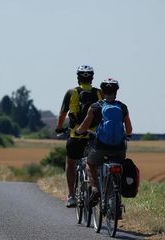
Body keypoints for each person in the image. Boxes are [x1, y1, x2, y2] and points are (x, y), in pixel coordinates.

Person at [75, 78, 133, 207]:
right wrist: (127, 135)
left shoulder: (96, 106)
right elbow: (129, 130)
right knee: (120, 166)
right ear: (116, 91)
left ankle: (95, 189)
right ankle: (116, 193)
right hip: (119, 148)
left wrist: (78, 132)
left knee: (90, 163)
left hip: (101, 146)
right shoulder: (122, 107)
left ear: (102, 91)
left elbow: (84, 126)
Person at [55, 65, 102, 208]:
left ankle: (71, 196)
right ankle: (98, 189)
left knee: (71, 163)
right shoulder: (99, 93)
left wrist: (59, 128)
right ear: (92, 78)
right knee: (95, 164)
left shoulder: (71, 92)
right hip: (94, 136)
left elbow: (63, 114)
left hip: (76, 135)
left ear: (78, 77)